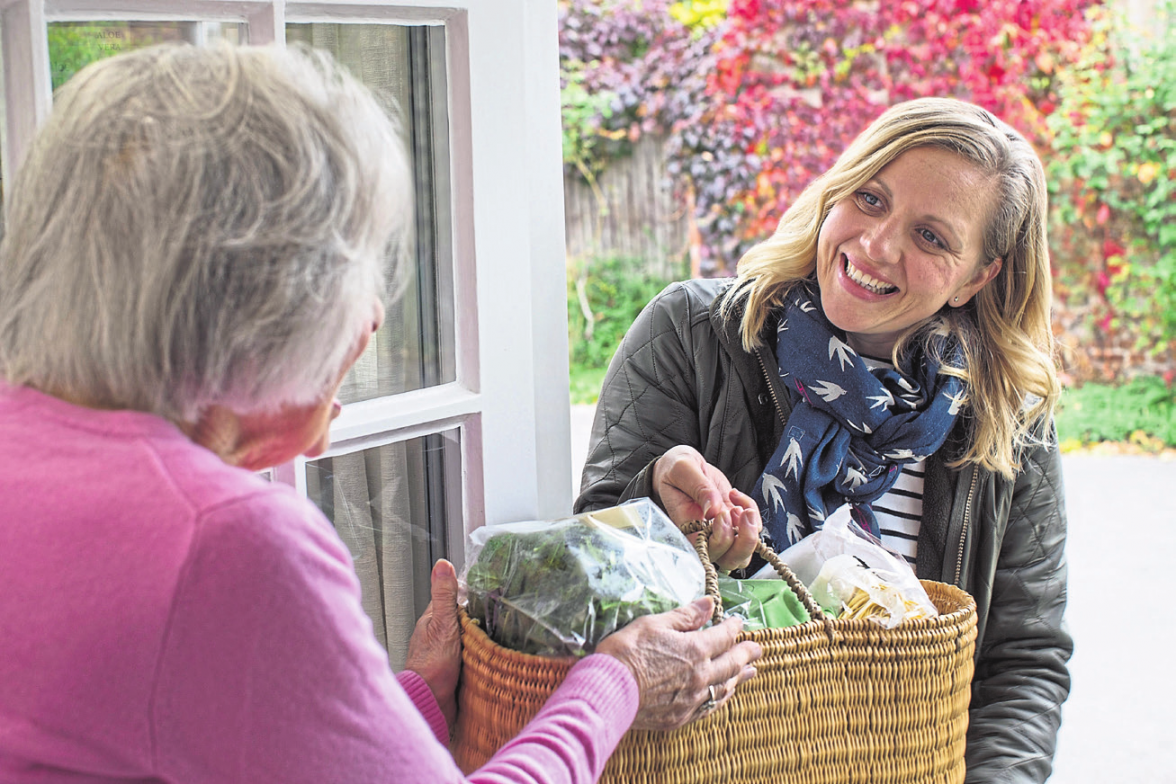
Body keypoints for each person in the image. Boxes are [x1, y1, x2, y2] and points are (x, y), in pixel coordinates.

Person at [0, 43, 762, 784]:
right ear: (266, 302)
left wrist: (414, 699)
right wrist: (617, 682)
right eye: (359, 265)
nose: (371, 318)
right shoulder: (228, 545)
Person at [577, 97, 1072, 783]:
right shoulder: (692, 335)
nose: (876, 244)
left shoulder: (1007, 419)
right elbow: (586, 573)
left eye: (932, 237)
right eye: (870, 199)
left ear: (977, 277)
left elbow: (1023, 661)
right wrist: (656, 505)